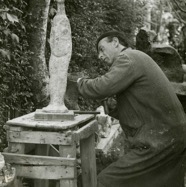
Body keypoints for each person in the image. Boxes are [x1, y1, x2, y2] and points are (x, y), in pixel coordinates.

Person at [77, 31, 186, 187]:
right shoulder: (136, 58)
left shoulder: (127, 58)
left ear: (115, 42)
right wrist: (115, 108)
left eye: (102, 49)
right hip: (173, 136)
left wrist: (79, 82)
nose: (99, 56)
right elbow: (140, 104)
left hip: (159, 141)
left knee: (103, 182)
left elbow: (101, 87)